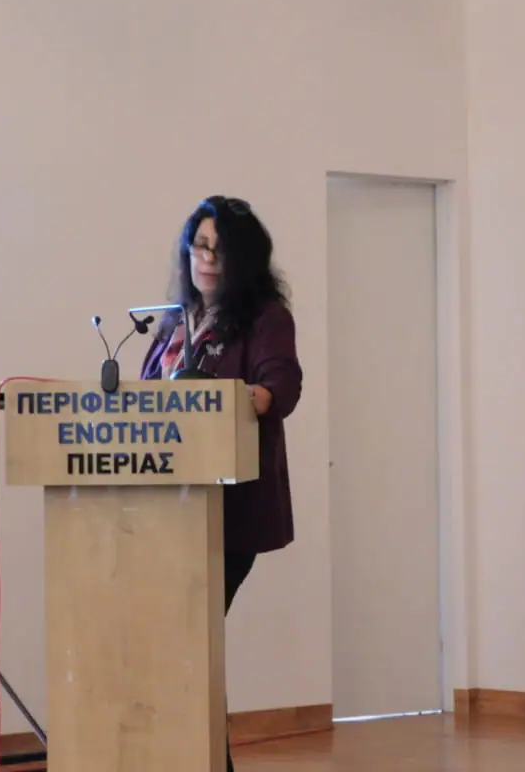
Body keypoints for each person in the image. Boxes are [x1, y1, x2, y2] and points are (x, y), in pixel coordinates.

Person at [139, 194, 303, 772]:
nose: (207, 259)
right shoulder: (173, 321)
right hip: (166, 508)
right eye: (200, 246)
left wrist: (234, 400)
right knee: (181, 641)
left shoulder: (265, 318)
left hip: (227, 511)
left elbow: (279, 387)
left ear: (243, 260)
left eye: (220, 250)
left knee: (190, 638)